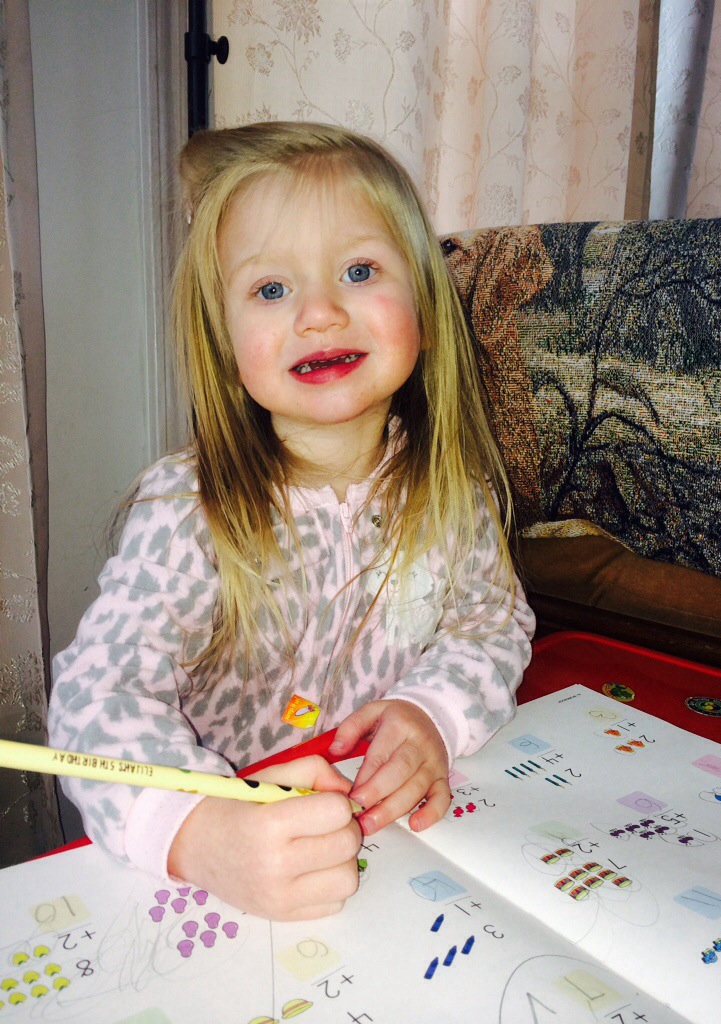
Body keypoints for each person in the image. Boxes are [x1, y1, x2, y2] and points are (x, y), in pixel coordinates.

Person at [48, 121, 535, 921]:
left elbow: (490, 625)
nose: (319, 313)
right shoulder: (186, 511)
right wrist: (199, 830)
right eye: (271, 289)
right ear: (223, 336)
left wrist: (432, 714)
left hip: (395, 863)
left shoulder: (456, 490)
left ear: (423, 299)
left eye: (358, 271)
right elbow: (97, 696)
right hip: (215, 884)